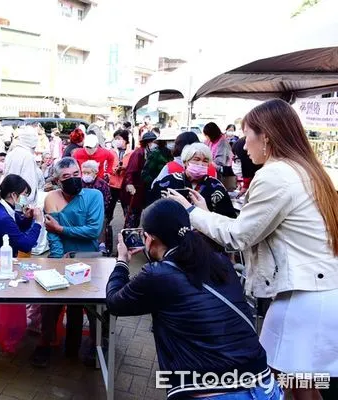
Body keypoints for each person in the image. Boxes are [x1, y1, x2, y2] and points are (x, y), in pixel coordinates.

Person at [167, 99, 338, 400]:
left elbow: (239, 236)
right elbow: (250, 227)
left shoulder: (276, 174)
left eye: (247, 136)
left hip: (304, 299)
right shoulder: (306, 170)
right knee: (302, 386)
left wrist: (191, 213)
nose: (243, 146)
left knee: (281, 382)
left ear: (267, 137)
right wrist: (207, 213)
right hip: (318, 294)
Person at [107, 199, 282, 400]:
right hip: (265, 387)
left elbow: (114, 302)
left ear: (149, 239)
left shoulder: (158, 274)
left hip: (214, 392)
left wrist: (122, 261)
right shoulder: (220, 261)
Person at [33, 157, 104, 367]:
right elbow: (52, 234)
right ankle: (45, 343)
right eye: (66, 176)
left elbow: (94, 230)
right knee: (50, 303)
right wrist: (58, 260)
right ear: (57, 179)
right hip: (60, 258)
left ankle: (96, 343)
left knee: (94, 306)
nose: (72, 179)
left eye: (76, 174)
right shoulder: (51, 198)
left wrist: (62, 229)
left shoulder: (94, 196)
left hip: (88, 258)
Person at [152, 143, 236, 219]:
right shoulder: (168, 182)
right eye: (196, 159)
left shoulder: (216, 186)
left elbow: (227, 219)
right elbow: (154, 212)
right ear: (185, 162)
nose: (200, 164)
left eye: (205, 161)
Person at [0, 174, 43, 257]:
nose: (26, 198)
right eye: (24, 194)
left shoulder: (4, 208)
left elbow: (16, 229)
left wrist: (27, 218)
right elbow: (26, 245)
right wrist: (38, 222)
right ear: (14, 195)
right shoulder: (2, 217)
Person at [123, 131, 157, 228]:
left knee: (137, 215)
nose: (153, 144)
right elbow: (130, 170)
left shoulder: (152, 153)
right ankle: (127, 237)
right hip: (133, 189)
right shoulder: (138, 153)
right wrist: (129, 183)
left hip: (142, 190)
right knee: (131, 216)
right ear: (147, 143)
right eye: (151, 142)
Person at [4, 125, 44, 204]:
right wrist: (27, 202)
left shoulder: (11, 153)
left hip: (10, 198)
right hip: (22, 201)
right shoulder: (28, 156)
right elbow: (29, 181)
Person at [108, 129, 133, 220]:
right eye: (115, 138)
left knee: (127, 210)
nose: (116, 140)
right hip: (112, 184)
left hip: (125, 185)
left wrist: (124, 168)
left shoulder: (131, 153)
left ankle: (128, 229)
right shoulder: (110, 152)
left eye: (119, 138)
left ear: (125, 140)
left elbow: (133, 168)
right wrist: (113, 169)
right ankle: (106, 227)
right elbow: (107, 167)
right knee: (109, 209)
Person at [203, 122, 235, 190]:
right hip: (213, 173)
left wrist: (208, 161)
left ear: (211, 134)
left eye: (207, 135)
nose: (206, 137)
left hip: (222, 176)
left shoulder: (223, 143)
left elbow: (219, 162)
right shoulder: (210, 141)